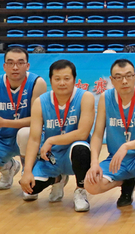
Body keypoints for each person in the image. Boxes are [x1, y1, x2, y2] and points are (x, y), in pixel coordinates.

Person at [85, 59, 135, 215]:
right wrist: (94, 163)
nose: (124, 81)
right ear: (112, 80)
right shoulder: (106, 98)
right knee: (91, 185)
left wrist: (127, 146)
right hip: (117, 160)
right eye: (119, 77)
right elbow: (98, 134)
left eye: (128, 76)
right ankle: (126, 182)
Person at [20, 59, 94, 212]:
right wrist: (27, 171)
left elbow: (83, 133)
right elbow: (34, 139)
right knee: (31, 189)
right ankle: (57, 179)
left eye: (66, 78)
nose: (62, 83)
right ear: (51, 80)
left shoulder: (85, 97)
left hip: (73, 153)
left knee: (81, 148)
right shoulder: (41, 102)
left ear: (74, 79)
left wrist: (52, 139)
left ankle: (80, 190)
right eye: (57, 79)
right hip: (52, 155)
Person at [0, 47, 46, 197]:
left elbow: (37, 120)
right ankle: (9, 167)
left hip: (31, 137)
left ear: (27, 66)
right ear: (4, 66)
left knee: (25, 133)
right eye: (10, 63)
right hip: (4, 137)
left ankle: (28, 176)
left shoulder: (37, 83)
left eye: (20, 63)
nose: (15, 67)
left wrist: (4, 122)